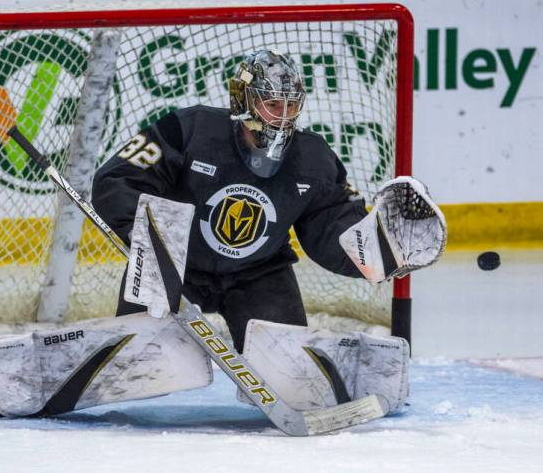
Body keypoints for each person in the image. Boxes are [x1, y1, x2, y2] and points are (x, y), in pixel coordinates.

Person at [91, 49, 443, 354]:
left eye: (291, 105)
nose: (283, 115)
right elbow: (118, 179)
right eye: (273, 104)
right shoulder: (189, 129)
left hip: (259, 274)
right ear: (244, 100)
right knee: (139, 358)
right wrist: (148, 231)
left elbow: (332, 226)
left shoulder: (312, 157)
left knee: (290, 369)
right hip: (174, 266)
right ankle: (133, 349)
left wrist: (381, 248)